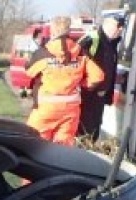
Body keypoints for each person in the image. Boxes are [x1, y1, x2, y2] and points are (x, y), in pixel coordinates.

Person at [25, 16, 106, 146]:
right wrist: (83, 83)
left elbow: (29, 71)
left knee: (36, 144)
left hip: (46, 108)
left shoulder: (44, 52)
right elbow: (98, 76)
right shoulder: (80, 52)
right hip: (70, 110)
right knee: (63, 147)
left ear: (53, 31)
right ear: (69, 30)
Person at [78, 14, 123, 141]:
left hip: (99, 97)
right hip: (87, 96)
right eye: (118, 25)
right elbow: (76, 64)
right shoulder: (92, 40)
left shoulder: (112, 44)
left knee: (94, 130)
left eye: (122, 27)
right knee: (84, 131)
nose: (120, 29)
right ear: (107, 24)